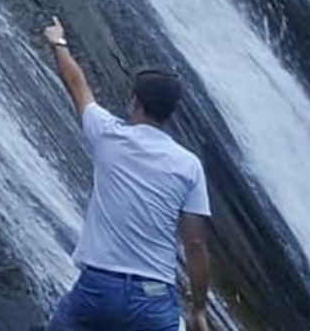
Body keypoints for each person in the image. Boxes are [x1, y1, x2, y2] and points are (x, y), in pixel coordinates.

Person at [41, 17, 213, 331]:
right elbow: (195, 243)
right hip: (154, 296)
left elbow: (76, 84)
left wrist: (58, 42)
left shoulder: (108, 135)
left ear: (134, 102)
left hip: (99, 289)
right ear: (171, 113)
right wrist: (198, 309)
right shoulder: (189, 165)